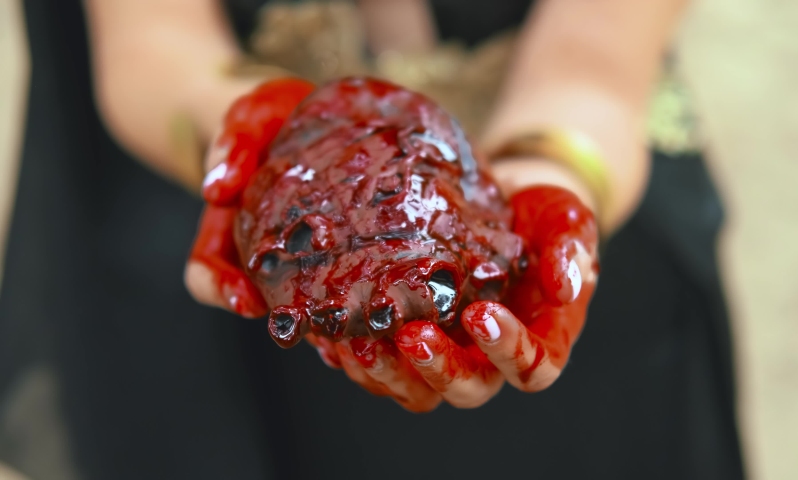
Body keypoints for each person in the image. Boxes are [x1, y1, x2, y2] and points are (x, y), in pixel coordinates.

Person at [0, 0, 745, 478]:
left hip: (573, 202)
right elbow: (151, 34)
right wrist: (233, 127)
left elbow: (600, 49)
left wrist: (562, 153)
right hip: (198, 266)